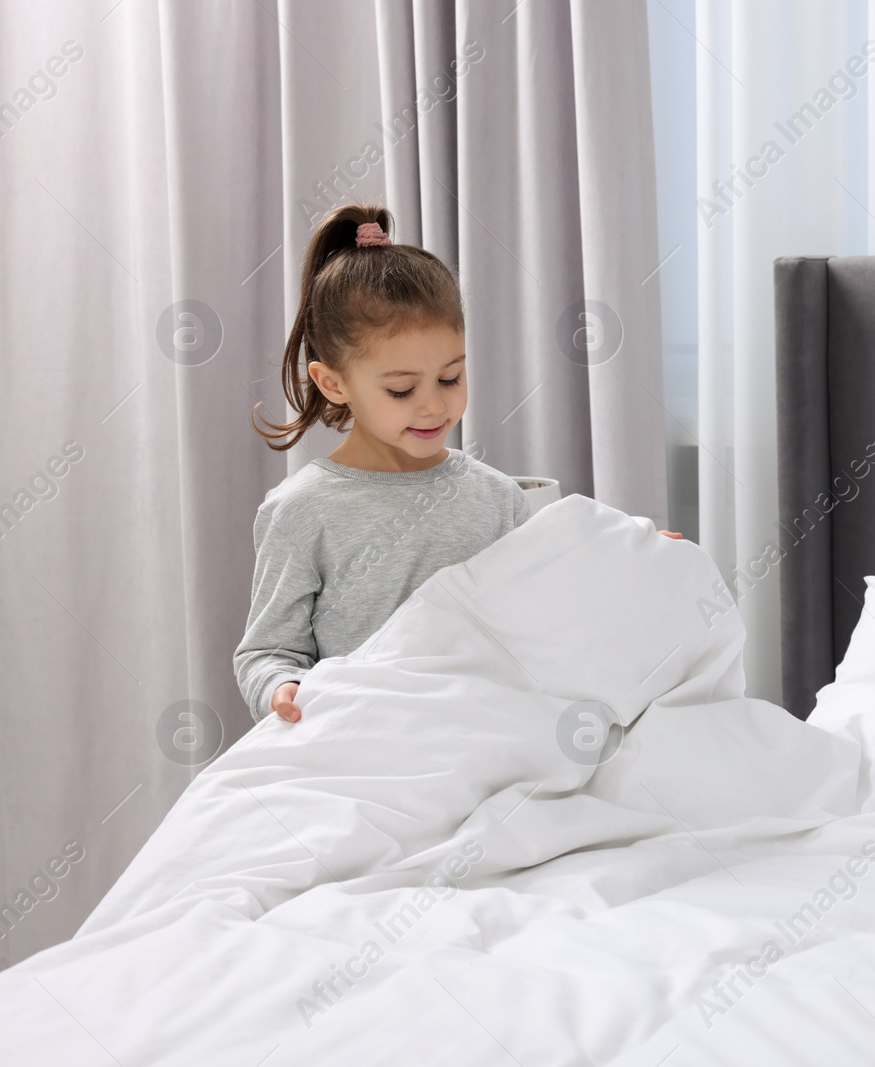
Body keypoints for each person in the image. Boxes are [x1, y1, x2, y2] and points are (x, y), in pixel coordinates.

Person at [234, 203, 676, 724]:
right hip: (366, 738)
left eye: (450, 379)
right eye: (402, 390)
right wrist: (282, 688)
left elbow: (550, 608)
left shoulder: (496, 497)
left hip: (484, 732)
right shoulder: (302, 510)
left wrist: (623, 557)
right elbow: (266, 652)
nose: (432, 406)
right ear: (333, 383)